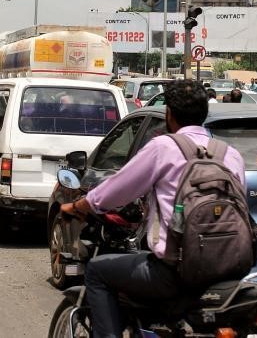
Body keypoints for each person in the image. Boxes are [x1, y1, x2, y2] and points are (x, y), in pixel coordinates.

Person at [60, 80, 246, 338]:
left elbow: (118, 189)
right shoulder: (230, 154)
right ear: (204, 113)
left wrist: (81, 205)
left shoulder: (164, 147)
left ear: (169, 114)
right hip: (229, 268)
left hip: (174, 273)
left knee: (97, 271)